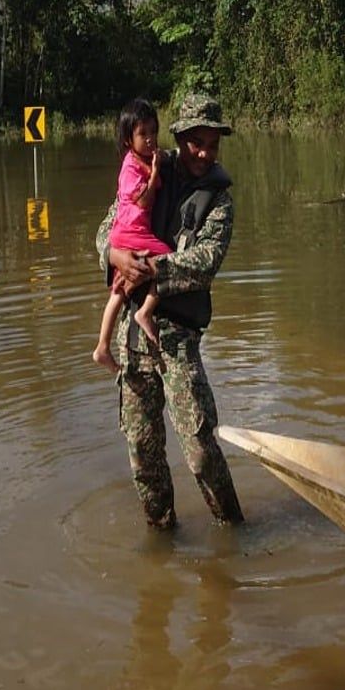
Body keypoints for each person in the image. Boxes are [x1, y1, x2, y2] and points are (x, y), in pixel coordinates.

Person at [96, 92, 244, 529]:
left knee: (199, 449)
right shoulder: (145, 166)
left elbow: (204, 264)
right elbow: (107, 228)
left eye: (212, 144)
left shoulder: (219, 201)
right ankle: (161, 539)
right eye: (196, 142)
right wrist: (113, 255)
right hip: (131, 336)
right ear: (179, 138)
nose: (204, 152)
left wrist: (144, 268)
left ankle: (233, 531)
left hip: (175, 337)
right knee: (143, 453)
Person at [93, 98, 170, 373]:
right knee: (169, 261)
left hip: (126, 233)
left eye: (153, 132)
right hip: (131, 232)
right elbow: (144, 201)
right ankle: (145, 312)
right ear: (128, 139)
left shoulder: (145, 160)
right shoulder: (132, 167)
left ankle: (102, 346)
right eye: (142, 134)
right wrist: (156, 173)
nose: (150, 140)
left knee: (120, 287)